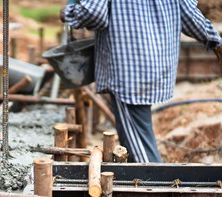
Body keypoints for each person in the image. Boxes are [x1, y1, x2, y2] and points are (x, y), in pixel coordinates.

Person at [61, 0, 222, 163]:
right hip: (157, 63)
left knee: (142, 158)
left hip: (127, 69)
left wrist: (68, 13)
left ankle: (159, 187)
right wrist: (214, 40)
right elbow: (188, 14)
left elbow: (95, 14)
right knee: (137, 141)